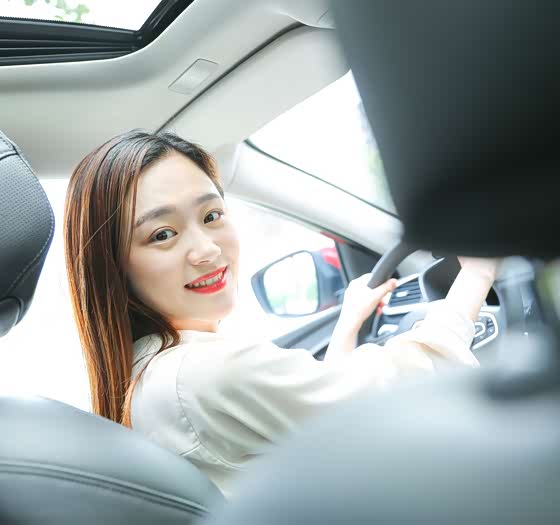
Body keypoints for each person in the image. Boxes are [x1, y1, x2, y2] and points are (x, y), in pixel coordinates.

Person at [63, 130, 499, 497]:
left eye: (212, 215)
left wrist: (347, 326)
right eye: (162, 234)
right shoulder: (201, 372)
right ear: (113, 268)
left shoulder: (147, 373)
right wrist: (477, 275)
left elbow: (324, 418)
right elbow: (394, 391)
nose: (207, 249)